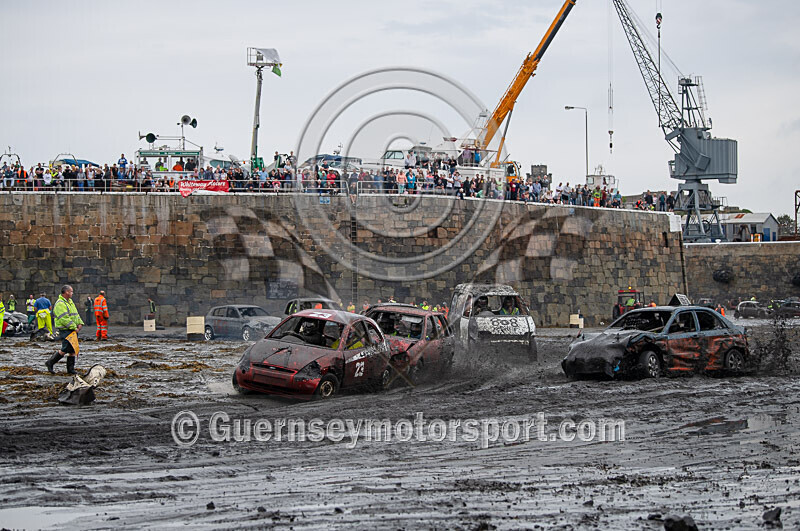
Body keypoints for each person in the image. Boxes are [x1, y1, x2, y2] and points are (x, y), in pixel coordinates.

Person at [45, 285, 84, 375]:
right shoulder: (60, 304)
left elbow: (76, 315)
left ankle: (70, 370)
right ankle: (50, 362)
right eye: (71, 291)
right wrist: (74, 327)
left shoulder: (70, 302)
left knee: (73, 349)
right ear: (66, 292)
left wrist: (80, 323)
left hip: (72, 330)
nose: (72, 293)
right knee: (65, 349)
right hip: (66, 330)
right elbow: (64, 319)